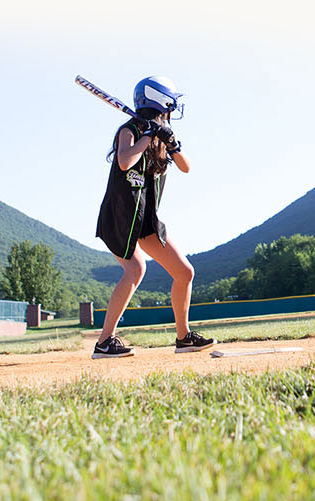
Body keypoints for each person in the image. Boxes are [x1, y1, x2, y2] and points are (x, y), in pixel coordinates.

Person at [92, 76, 215, 359]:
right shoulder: (130, 130)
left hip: (146, 217)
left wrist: (170, 142)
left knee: (185, 273)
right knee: (136, 270)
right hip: (121, 215)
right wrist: (147, 135)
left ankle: (184, 338)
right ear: (160, 101)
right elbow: (125, 161)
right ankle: (104, 342)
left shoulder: (164, 136)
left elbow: (185, 167)